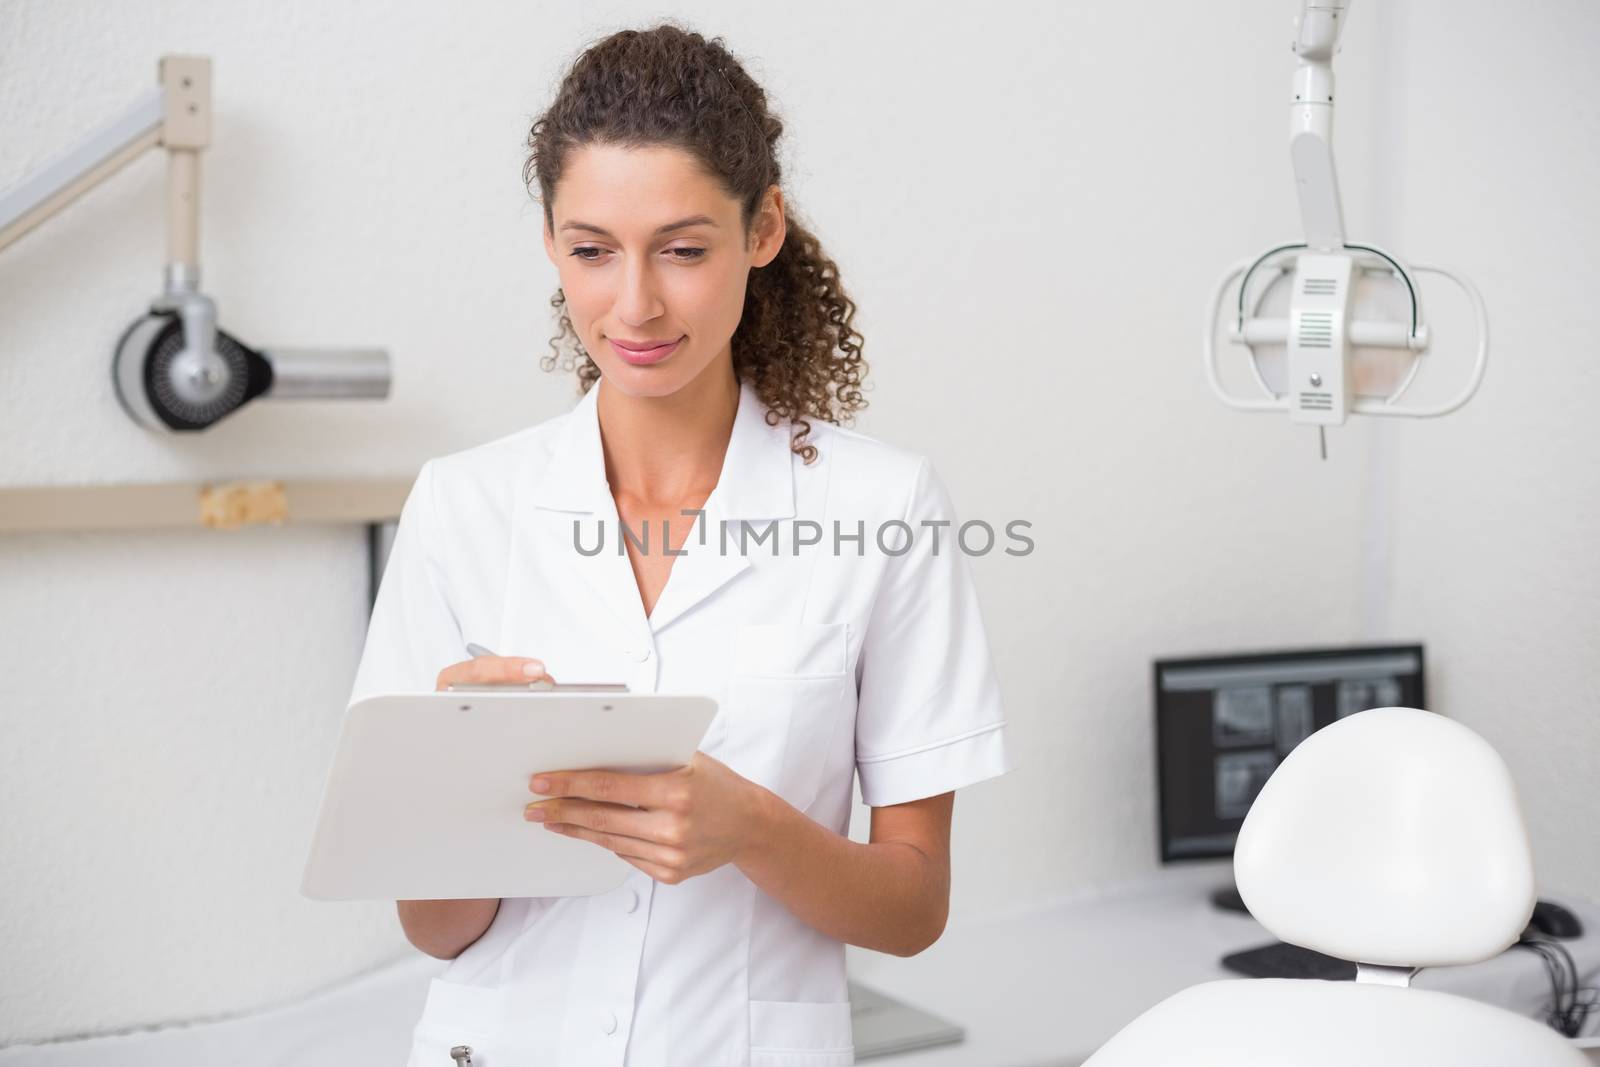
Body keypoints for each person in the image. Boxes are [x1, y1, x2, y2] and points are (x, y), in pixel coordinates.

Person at [347, 23, 1013, 1067]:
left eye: (684, 248)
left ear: (763, 228)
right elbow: (435, 928)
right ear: (551, 241)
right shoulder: (463, 505)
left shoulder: (884, 506)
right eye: (592, 249)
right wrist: (460, 774)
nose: (635, 304)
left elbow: (911, 905)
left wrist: (749, 825)